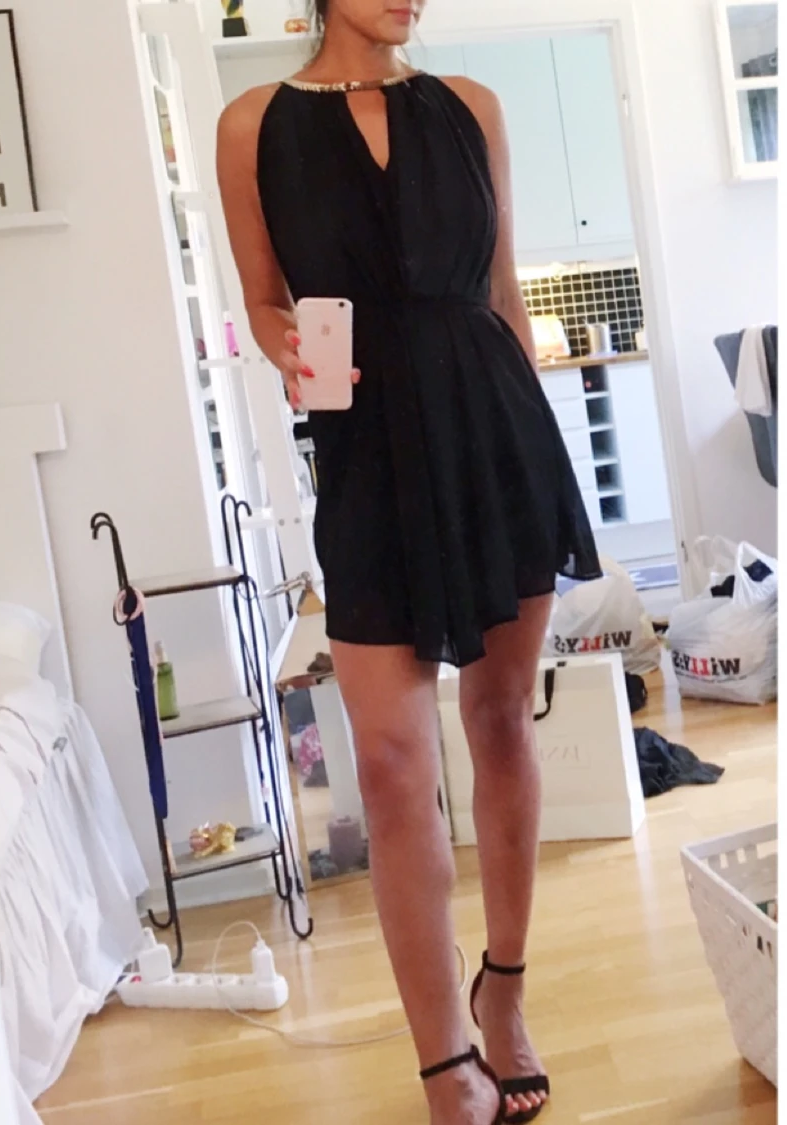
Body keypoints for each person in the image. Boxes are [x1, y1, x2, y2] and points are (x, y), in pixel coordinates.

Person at [216, 3, 601, 1122]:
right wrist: (287, 345)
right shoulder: (254, 125)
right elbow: (263, 300)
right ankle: (442, 1057)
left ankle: (503, 991)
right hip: (369, 454)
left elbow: (503, 291)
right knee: (389, 760)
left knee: (501, 719)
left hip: (495, 435)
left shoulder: (472, 109)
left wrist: (539, 452)